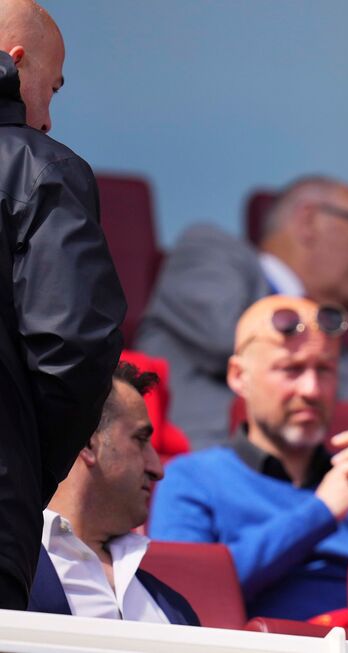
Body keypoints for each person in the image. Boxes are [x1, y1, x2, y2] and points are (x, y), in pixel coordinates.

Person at [150, 295, 348, 620]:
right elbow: (182, 593)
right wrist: (322, 511)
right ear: (239, 376)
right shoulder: (191, 478)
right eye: (291, 369)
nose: (311, 389)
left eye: (324, 369)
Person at [0, 0, 126, 609]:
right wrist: (30, 470)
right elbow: (73, 350)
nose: (47, 119)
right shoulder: (38, 167)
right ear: (16, 62)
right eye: (51, 90)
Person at [137, 176, 348, 449]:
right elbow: (226, 336)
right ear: (308, 221)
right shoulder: (210, 251)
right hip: (203, 450)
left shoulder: (336, 338)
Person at [28, 363, 198, 625]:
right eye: (140, 440)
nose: (157, 469)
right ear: (87, 442)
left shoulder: (176, 609)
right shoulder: (15, 569)